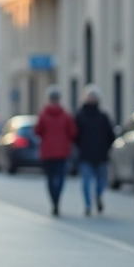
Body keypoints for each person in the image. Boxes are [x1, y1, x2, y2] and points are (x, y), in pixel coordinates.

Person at [34, 85, 77, 216]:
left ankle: (54, 201)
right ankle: (57, 199)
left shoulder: (43, 114)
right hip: (62, 152)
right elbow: (73, 132)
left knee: (50, 178)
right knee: (60, 177)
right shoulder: (66, 115)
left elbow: (37, 131)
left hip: (47, 152)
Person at [74, 85, 116, 217]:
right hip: (91, 154)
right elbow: (75, 135)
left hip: (96, 154)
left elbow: (111, 135)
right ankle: (90, 203)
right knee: (90, 180)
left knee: (98, 180)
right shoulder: (82, 116)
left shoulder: (101, 116)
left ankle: (95, 198)